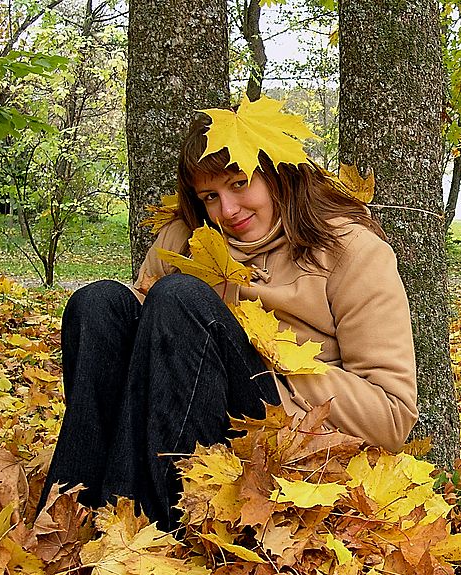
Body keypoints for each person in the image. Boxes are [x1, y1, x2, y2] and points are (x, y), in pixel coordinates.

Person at [39, 109, 418, 531]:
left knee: (180, 297)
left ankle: (156, 528)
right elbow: (135, 336)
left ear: (280, 174)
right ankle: (67, 511)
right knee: (98, 301)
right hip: (179, 405)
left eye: (240, 184)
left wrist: (261, 345)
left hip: (280, 428)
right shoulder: (188, 238)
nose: (228, 209)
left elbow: (392, 415)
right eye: (210, 196)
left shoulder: (349, 250)